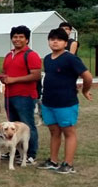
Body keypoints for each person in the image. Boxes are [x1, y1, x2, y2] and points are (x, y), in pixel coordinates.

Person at [36, 28, 92, 174]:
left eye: (59, 39)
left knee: (69, 132)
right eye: (52, 39)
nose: (55, 42)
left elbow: (88, 76)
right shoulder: (47, 58)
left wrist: (85, 90)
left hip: (66, 102)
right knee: (54, 131)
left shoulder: (70, 58)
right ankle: (53, 161)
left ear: (66, 43)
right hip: (48, 102)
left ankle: (68, 164)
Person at [0, 25, 42, 164]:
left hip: (25, 96)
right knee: (13, 125)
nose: (17, 39)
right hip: (9, 95)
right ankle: (16, 151)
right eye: (15, 37)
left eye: (21, 37)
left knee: (27, 125)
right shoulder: (8, 55)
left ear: (27, 39)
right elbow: (6, 72)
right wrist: (3, 77)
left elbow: (36, 75)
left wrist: (13, 80)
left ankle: (30, 154)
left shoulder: (31, 55)